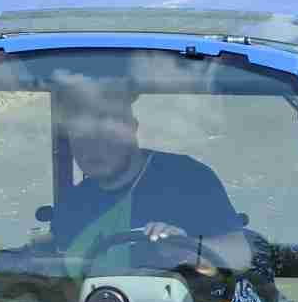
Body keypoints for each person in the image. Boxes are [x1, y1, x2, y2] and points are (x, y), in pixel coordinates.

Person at [47, 69, 246, 269]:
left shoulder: (187, 179)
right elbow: (56, 275)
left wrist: (189, 249)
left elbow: (241, 256)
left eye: (104, 135)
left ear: (131, 128)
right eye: (82, 138)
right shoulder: (70, 205)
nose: (94, 148)